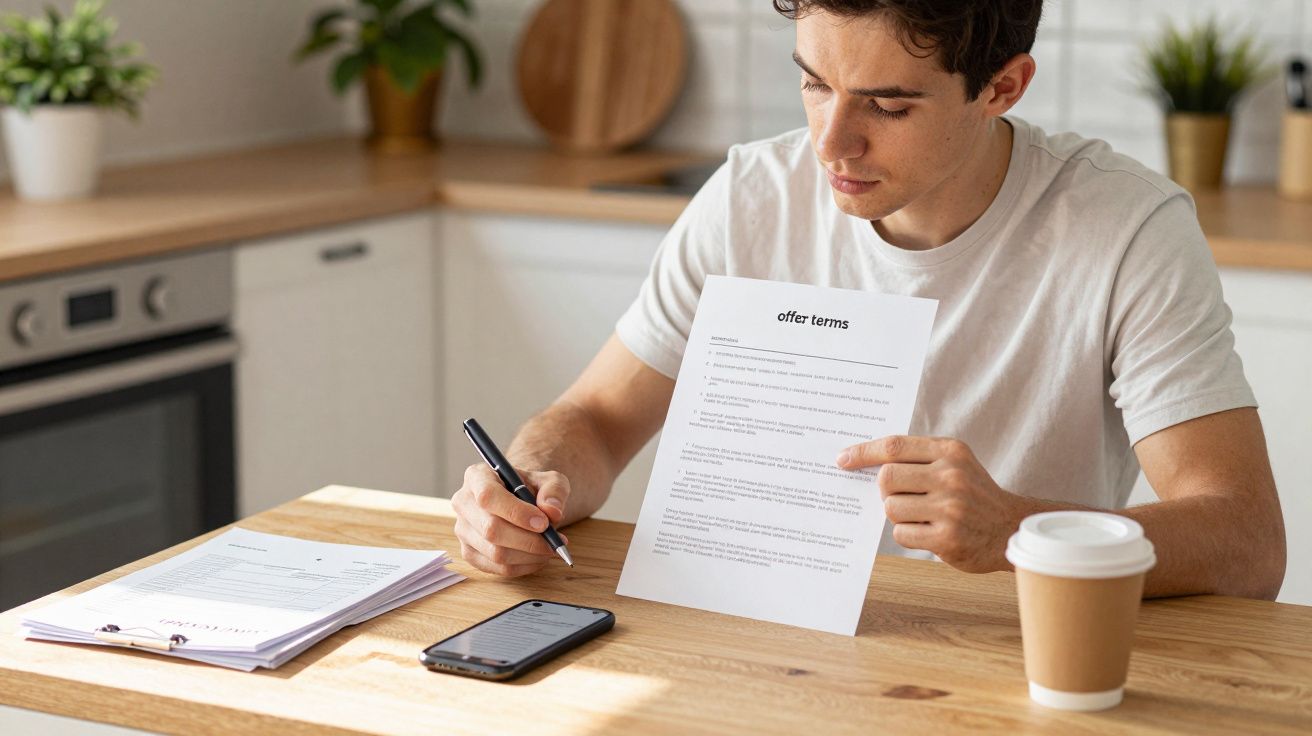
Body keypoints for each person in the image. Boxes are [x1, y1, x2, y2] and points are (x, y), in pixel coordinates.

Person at [451, 0, 1286, 600]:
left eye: (888, 104)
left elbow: (1245, 540)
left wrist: (1015, 531)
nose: (830, 142)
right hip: (755, 643)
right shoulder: (751, 193)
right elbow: (596, 418)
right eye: (815, 84)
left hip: (1006, 657)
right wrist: (534, 480)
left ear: (1003, 87)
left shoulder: (1127, 228)